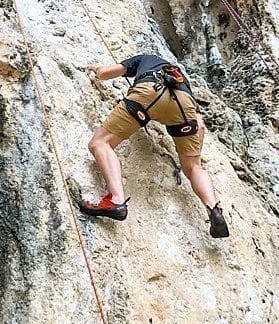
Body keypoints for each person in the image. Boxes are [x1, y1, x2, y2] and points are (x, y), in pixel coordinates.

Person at [78, 53, 229, 238]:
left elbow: (107, 73)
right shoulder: (181, 78)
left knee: (101, 143)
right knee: (194, 167)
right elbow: (201, 125)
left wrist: (96, 69)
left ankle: (116, 200)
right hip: (183, 105)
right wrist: (195, 147)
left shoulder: (145, 59)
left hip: (149, 92)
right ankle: (213, 209)